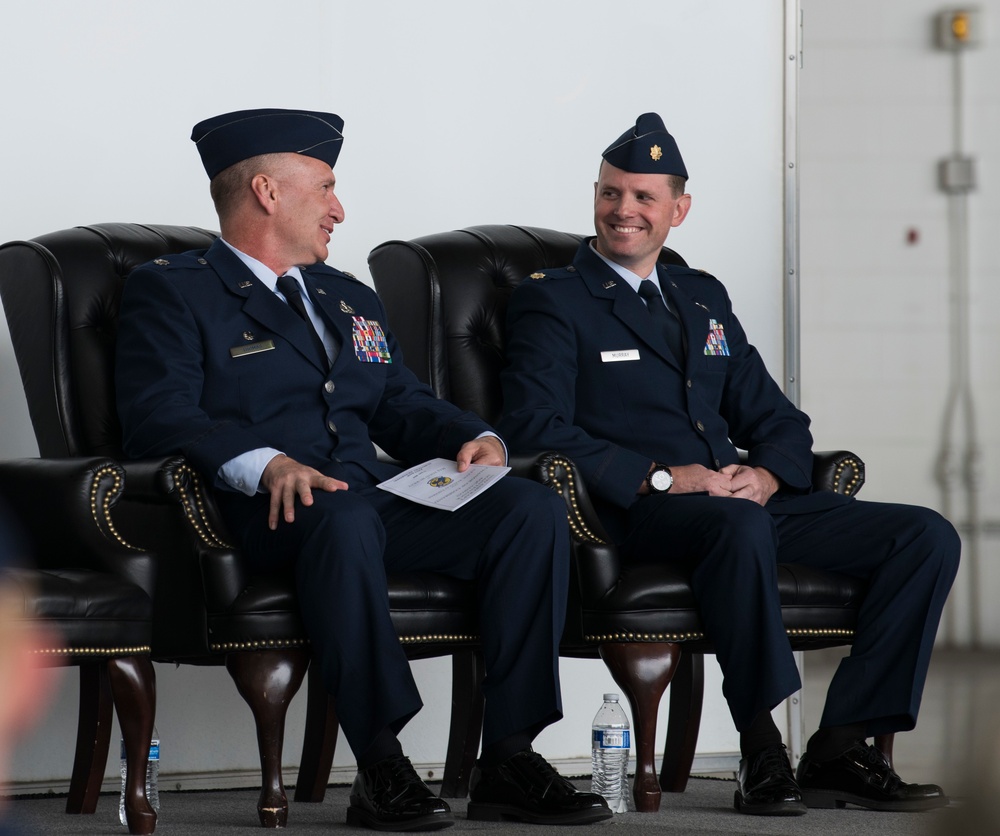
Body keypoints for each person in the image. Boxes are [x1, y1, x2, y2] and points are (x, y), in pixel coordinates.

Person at [115, 108, 612, 830]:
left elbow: (401, 405)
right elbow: (158, 415)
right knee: (343, 516)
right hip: (262, 510)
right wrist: (267, 462)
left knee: (528, 509)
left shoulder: (346, 296)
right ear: (267, 192)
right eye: (325, 188)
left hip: (363, 497)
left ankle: (508, 754)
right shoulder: (175, 291)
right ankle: (380, 764)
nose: (339, 209)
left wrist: (477, 437)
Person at [497, 112, 960, 817]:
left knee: (925, 535)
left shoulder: (701, 296)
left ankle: (840, 747)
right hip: (638, 511)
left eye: (644, 198)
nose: (624, 210)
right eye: (611, 193)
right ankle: (759, 745)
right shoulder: (553, 300)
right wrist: (662, 476)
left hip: (737, 505)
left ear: (677, 210)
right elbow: (533, 428)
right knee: (734, 527)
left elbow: (778, 421)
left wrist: (768, 474)